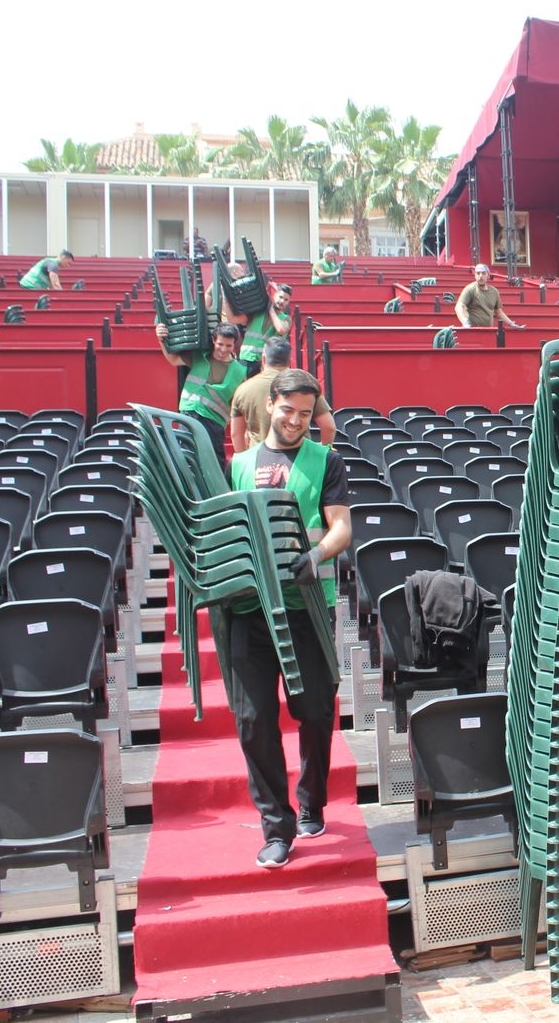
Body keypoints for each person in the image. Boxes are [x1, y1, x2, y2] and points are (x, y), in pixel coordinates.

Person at [226, 369, 350, 868]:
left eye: (305, 412)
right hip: (249, 610)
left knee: (317, 712)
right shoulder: (239, 464)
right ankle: (276, 827)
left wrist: (316, 554)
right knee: (253, 719)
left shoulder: (327, 460)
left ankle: (311, 802)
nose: (296, 420)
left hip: (306, 607)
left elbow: (341, 527)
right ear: (269, 407)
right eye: (287, 410)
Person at [154, 320, 246, 462]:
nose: (223, 349)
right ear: (214, 340)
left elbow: (241, 403)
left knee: (213, 463)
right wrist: (161, 340)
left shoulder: (239, 372)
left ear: (234, 345)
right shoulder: (200, 356)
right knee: (185, 460)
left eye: (229, 345)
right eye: (220, 344)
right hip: (188, 416)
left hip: (213, 424)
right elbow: (173, 360)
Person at [230, 336, 335, 453]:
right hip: (299, 461)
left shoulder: (243, 389)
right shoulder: (303, 384)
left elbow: (236, 434)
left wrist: (244, 460)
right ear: (289, 361)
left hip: (258, 461)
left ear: (264, 359)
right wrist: (322, 453)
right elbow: (329, 427)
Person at [235, 281, 293, 377]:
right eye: (280, 297)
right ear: (274, 296)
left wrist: (271, 309)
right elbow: (234, 319)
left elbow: (281, 329)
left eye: (286, 300)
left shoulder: (286, 318)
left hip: (265, 364)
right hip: (246, 359)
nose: (282, 301)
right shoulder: (258, 312)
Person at [453, 264, 523, 329]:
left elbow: (499, 312)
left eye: (483, 273)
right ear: (475, 275)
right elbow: (459, 306)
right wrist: (465, 322)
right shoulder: (470, 289)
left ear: (488, 275)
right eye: (478, 273)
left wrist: (511, 323)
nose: (480, 276)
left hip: (488, 331)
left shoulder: (494, 292)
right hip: (473, 331)